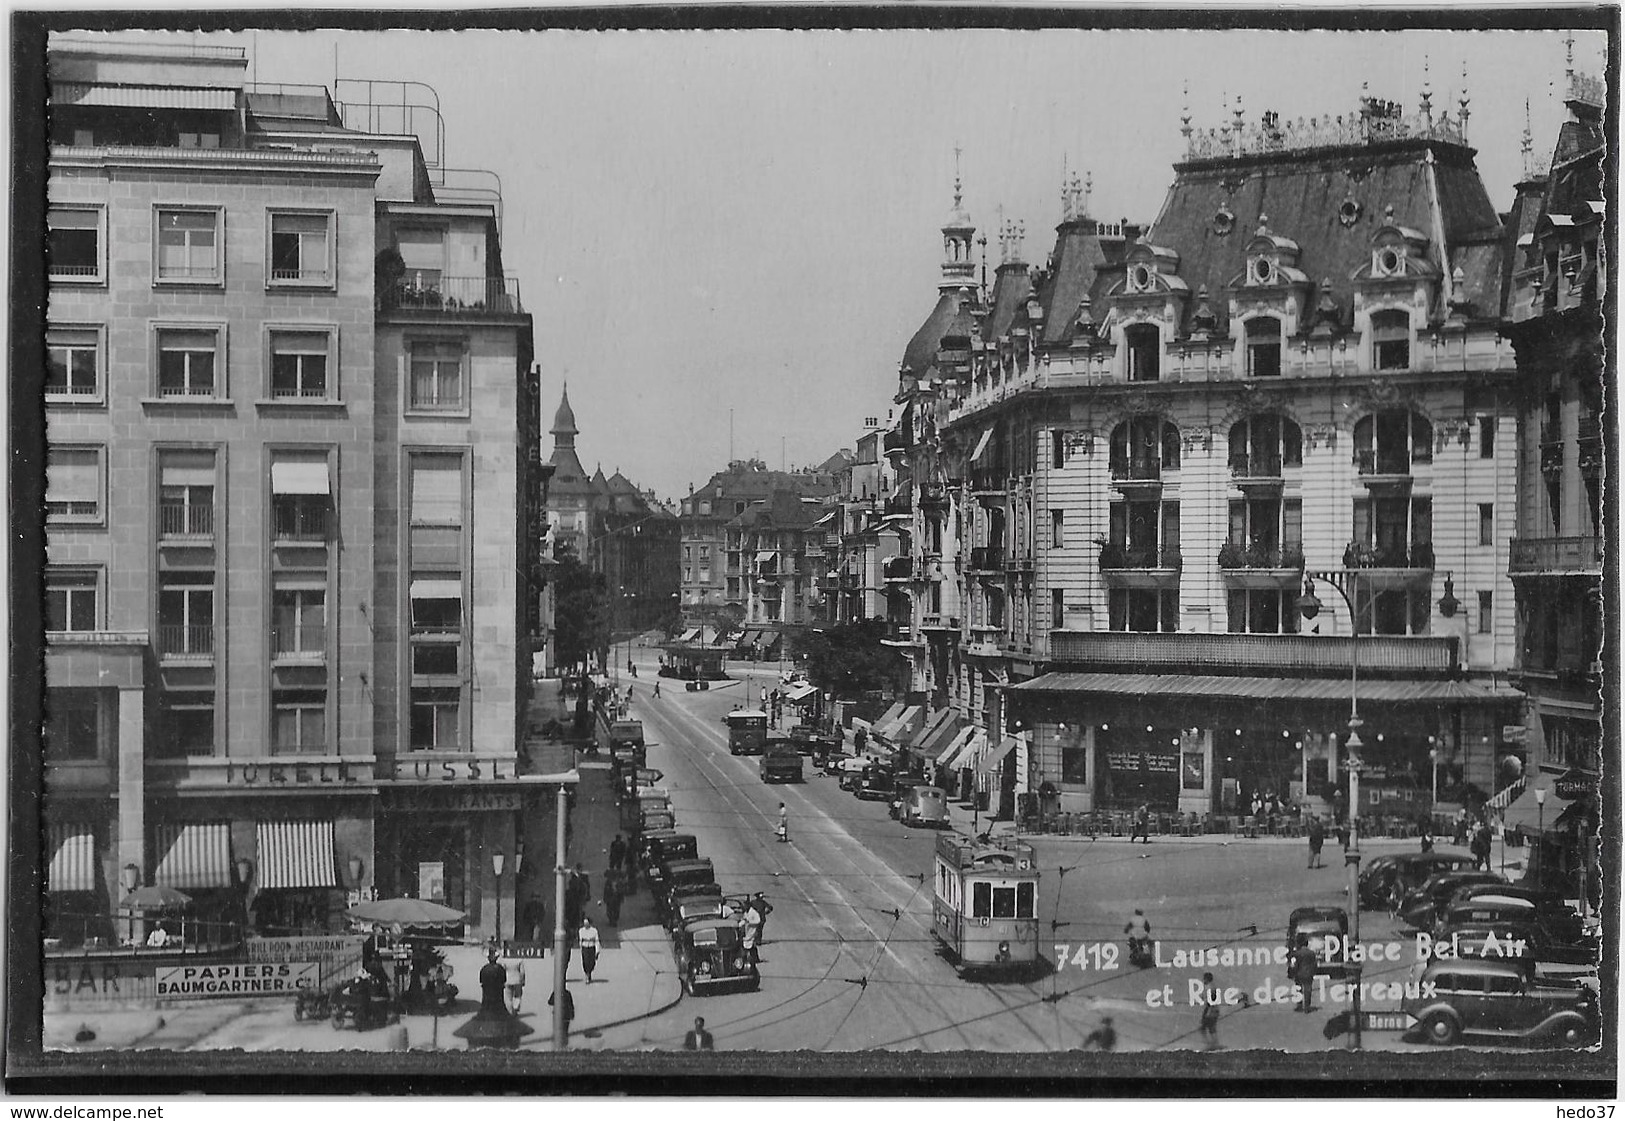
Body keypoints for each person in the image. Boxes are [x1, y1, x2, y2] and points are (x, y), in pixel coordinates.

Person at [1287, 936, 1317, 1013]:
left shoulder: (1297, 953)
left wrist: (1292, 972)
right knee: (1308, 990)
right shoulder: (1311, 953)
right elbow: (1314, 964)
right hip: (1308, 973)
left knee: (1298, 989)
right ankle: (1307, 1007)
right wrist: (1313, 972)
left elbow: (1293, 963)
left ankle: (1299, 1005)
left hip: (1299, 973)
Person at [1198, 971, 1222, 1050]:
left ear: (1207, 979)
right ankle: (1214, 1043)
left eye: (1204, 979)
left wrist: (1204, 1014)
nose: (1203, 981)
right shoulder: (1211, 987)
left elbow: (1210, 1002)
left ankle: (1210, 1044)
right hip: (1214, 1011)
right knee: (1212, 1028)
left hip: (1211, 1011)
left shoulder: (1210, 988)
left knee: (1203, 1028)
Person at [578, 916, 601, 983]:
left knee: (591, 962)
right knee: (585, 961)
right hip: (585, 947)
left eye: (587, 923)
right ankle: (587, 974)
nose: (585, 925)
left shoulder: (594, 931)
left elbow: (597, 940)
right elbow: (580, 940)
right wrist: (581, 948)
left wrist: (597, 951)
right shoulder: (581, 930)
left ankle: (589, 972)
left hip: (591, 947)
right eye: (584, 923)